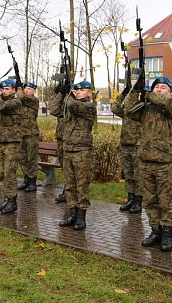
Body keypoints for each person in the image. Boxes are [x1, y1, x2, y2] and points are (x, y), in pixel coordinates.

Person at [124, 76, 172, 252]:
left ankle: (166, 235)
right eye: (157, 87)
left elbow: (162, 101)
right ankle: (155, 231)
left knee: (166, 200)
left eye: (164, 87)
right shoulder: (146, 108)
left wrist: (147, 93)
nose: (159, 89)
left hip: (163, 161)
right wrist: (136, 91)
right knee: (150, 200)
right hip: (145, 160)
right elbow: (129, 109)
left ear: (169, 91)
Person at [58, 80, 96, 231]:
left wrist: (69, 94)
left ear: (89, 92)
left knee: (81, 186)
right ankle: (72, 213)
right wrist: (62, 92)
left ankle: (81, 217)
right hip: (68, 149)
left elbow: (72, 105)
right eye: (76, 90)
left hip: (82, 151)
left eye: (81, 90)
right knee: (70, 185)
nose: (78, 92)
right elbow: (54, 109)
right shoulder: (70, 103)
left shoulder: (89, 106)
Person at [0, 78, 22, 214]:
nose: (4, 91)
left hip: (12, 143)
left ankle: (12, 201)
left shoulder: (16, 102)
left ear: (14, 90)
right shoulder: (0, 100)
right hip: (1, 142)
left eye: (7, 89)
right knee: (2, 174)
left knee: (9, 173)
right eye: (2, 89)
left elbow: (1, 107)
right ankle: (6, 199)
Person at [111, 85, 142, 213]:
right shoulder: (126, 111)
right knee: (128, 175)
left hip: (137, 146)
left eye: (131, 95)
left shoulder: (140, 109)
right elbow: (115, 108)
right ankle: (130, 198)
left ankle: (138, 202)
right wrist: (123, 94)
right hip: (126, 144)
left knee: (138, 176)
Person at [17, 82, 40, 193]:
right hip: (21, 133)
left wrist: (19, 88)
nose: (27, 90)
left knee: (31, 159)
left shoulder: (34, 100)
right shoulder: (20, 101)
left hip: (31, 134)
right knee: (22, 158)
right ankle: (26, 178)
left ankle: (32, 182)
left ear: (34, 91)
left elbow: (21, 96)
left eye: (30, 89)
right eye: (25, 88)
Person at [48, 84, 67, 204]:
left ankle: (68, 192)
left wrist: (65, 94)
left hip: (69, 138)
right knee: (64, 166)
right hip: (61, 137)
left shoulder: (72, 101)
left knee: (69, 167)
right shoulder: (63, 98)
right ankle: (68, 191)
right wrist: (58, 93)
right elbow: (53, 109)